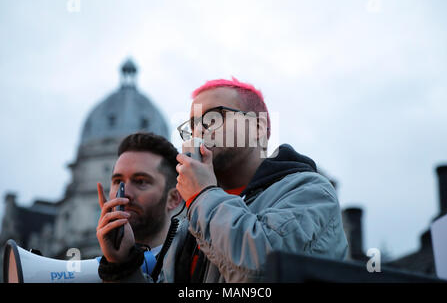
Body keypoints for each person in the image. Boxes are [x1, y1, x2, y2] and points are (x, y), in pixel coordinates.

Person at [97, 78, 348, 283]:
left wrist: (203, 195)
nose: (200, 131)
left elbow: (260, 273)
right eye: (192, 125)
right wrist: (123, 267)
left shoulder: (310, 191)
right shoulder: (190, 221)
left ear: (258, 128)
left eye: (214, 118)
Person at [95, 132, 183, 280]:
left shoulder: (196, 263)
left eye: (141, 181)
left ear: (174, 198)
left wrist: (121, 268)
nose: (125, 193)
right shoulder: (99, 268)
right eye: (118, 182)